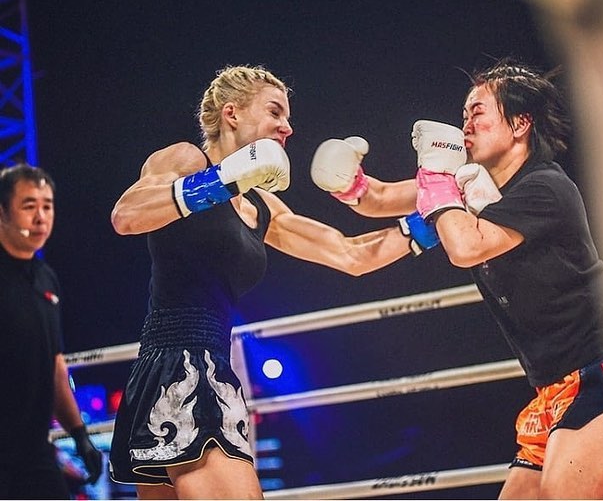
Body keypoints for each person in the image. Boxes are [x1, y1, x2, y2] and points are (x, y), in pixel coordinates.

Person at [310, 58, 603, 499]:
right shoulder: (467, 184)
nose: (465, 125)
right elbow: (382, 199)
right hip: (550, 389)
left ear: (520, 124)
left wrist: (438, 180)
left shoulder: (546, 188)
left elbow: (466, 247)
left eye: (478, 112)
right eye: (464, 114)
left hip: (601, 375)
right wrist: (350, 185)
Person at [107, 65, 426, 499]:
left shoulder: (261, 205)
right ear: (232, 113)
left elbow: (350, 254)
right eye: (275, 112)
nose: (288, 127)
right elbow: (126, 216)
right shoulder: (186, 160)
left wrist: (434, 218)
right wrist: (219, 181)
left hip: (210, 367)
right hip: (178, 369)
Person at [0, 163, 103, 499]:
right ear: (2, 212)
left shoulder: (46, 279)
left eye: (47, 206)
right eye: (29, 206)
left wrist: (79, 434)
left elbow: (55, 366)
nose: (40, 217)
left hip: (34, 450)